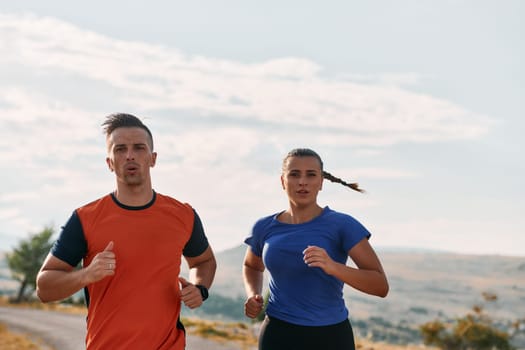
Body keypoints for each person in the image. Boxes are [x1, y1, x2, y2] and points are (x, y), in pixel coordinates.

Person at [36, 113, 216, 349]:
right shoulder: (85, 218)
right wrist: (86, 275)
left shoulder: (183, 215)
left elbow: (204, 261)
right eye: (120, 149)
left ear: (153, 158)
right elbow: (44, 288)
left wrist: (200, 288)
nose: (130, 155)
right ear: (110, 163)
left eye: (139, 148)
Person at [243, 148, 389, 350]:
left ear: (321, 182)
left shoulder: (343, 225)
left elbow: (380, 286)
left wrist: (333, 267)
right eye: (294, 174)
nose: (302, 182)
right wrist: (253, 294)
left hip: (330, 337)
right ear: (283, 181)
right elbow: (251, 265)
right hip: (277, 334)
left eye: (311, 175)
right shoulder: (264, 227)